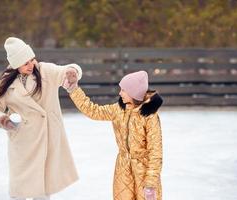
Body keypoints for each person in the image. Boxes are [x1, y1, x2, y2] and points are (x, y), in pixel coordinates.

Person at [0, 37, 81, 200]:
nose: (31, 65)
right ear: (16, 65)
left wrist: (72, 72)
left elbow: (65, 71)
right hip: (22, 140)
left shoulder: (45, 71)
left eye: (32, 59)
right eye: (26, 63)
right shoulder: (6, 83)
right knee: (19, 190)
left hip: (46, 137)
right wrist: (3, 119)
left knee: (42, 191)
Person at [64, 70, 163, 200]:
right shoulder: (118, 110)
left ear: (134, 93)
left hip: (144, 171)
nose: (120, 93)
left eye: (123, 90)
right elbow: (93, 111)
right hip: (123, 170)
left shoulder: (149, 116)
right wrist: (74, 89)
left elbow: (155, 152)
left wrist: (150, 182)